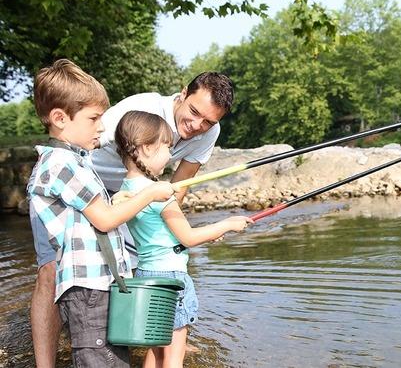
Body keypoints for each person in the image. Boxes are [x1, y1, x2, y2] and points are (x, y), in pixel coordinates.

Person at [30, 72, 235, 366]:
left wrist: (165, 227)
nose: (197, 126)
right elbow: (79, 144)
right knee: (52, 271)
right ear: (182, 94)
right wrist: (146, 196)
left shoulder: (207, 132)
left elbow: (181, 183)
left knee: (126, 266)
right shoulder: (136, 111)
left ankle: (144, 333)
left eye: (208, 122)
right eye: (194, 113)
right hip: (90, 183)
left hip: (128, 195)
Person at [26, 59, 176, 367]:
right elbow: (104, 220)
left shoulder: (77, 162)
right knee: (99, 359)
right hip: (87, 288)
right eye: (94, 118)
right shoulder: (61, 165)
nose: (102, 126)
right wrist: (149, 193)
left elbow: (94, 215)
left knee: (112, 358)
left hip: (98, 285)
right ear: (60, 118)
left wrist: (120, 200)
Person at [114, 110, 252, 367]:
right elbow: (188, 237)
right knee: (175, 352)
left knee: (155, 349)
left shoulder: (125, 192)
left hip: (145, 275)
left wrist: (210, 234)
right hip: (172, 278)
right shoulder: (160, 195)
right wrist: (227, 224)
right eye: (166, 146)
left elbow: (168, 237)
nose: (170, 153)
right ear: (145, 148)